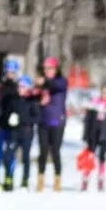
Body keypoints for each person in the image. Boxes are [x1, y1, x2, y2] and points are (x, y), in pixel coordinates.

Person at [79, 84, 106, 190]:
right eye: (104, 93)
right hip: (93, 135)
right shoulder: (94, 105)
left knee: (102, 157)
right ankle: (85, 179)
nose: (105, 95)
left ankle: (101, 178)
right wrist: (85, 136)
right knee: (90, 156)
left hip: (105, 135)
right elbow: (87, 121)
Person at [36, 56, 68, 191]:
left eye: (50, 68)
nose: (47, 71)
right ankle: (40, 180)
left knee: (55, 151)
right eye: (45, 68)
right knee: (43, 151)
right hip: (43, 120)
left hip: (57, 120)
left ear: (56, 69)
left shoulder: (61, 81)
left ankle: (57, 180)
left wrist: (44, 82)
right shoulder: (41, 83)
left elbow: (55, 86)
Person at [0, 60, 23, 189]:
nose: (10, 74)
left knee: (10, 154)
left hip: (13, 127)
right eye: (8, 72)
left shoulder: (19, 88)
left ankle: (9, 179)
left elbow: (22, 106)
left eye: (13, 72)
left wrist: (17, 116)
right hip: (0, 125)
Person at [13, 76, 39, 190]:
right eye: (19, 86)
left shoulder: (32, 100)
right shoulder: (15, 99)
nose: (20, 89)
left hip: (27, 132)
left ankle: (25, 179)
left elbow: (37, 117)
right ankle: (9, 177)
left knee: (26, 157)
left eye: (23, 87)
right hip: (15, 131)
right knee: (10, 155)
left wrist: (23, 120)